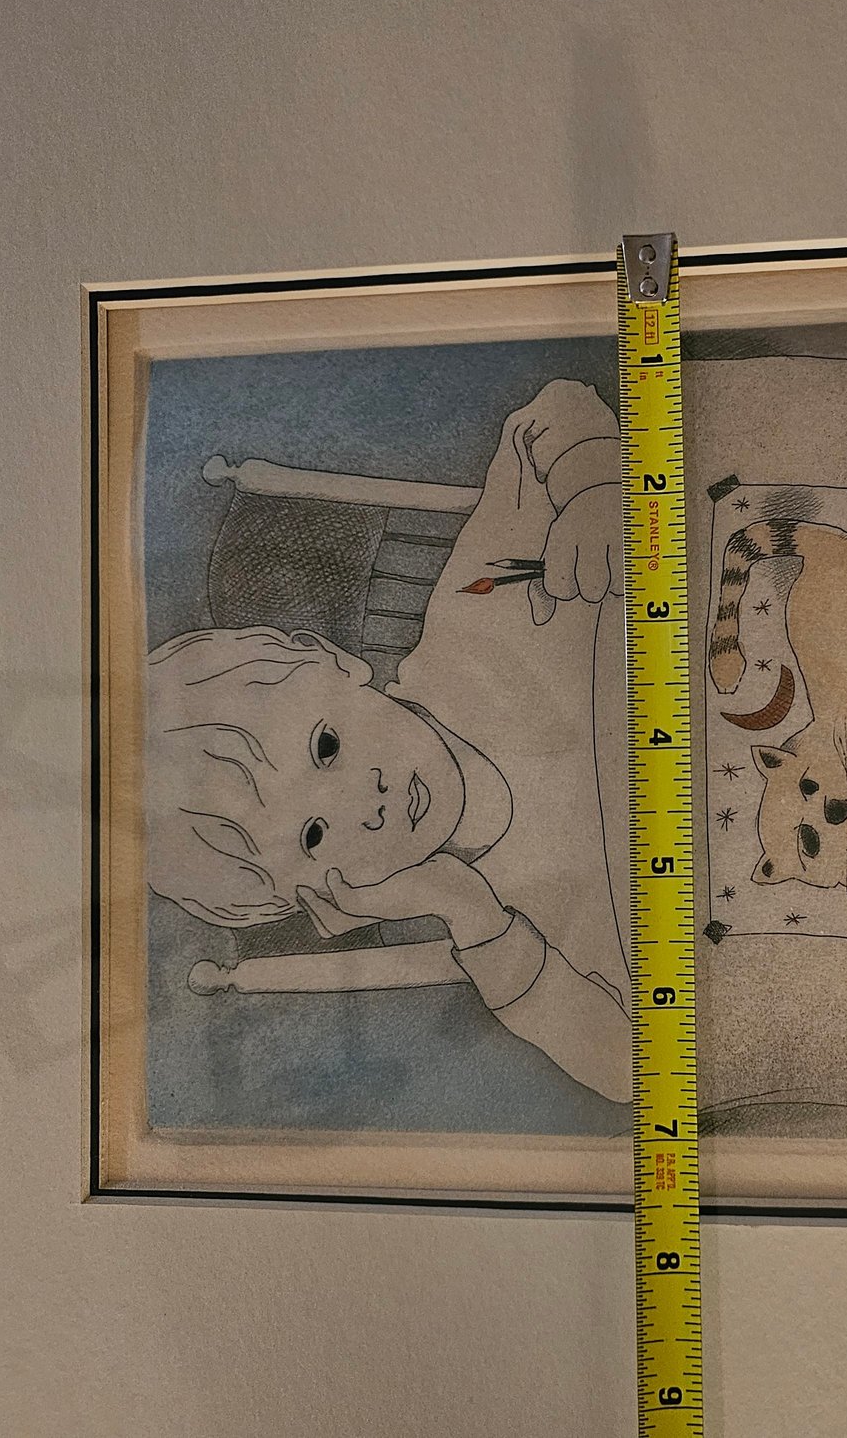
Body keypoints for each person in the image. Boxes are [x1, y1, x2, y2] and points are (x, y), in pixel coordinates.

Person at [144, 379, 634, 1105]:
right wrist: (470, 912)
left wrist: (595, 488)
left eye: (327, 747)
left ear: (334, 662)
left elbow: (549, 416)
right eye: (313, 834)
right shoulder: (499, 935)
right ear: (323, 901)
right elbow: (629, 1068)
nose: (365, 801)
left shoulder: (480, 604)